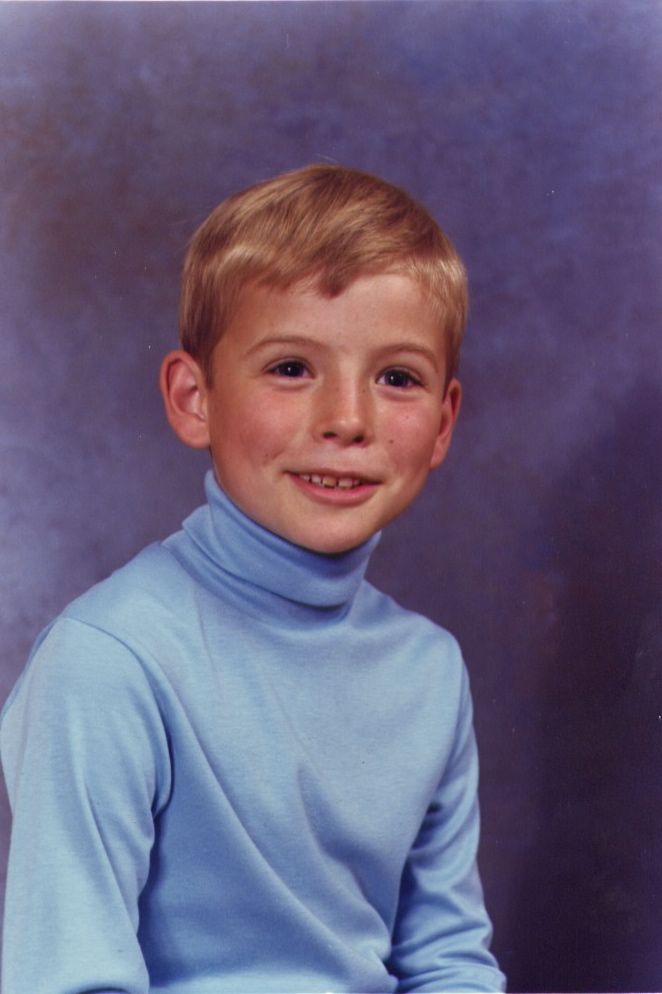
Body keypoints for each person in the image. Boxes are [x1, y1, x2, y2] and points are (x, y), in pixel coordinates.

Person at [1, 164, 506, 993]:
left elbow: (447, 962)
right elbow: (71, 981)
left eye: (397, 378)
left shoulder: (429, 669)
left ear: (444, 421)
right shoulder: (107, 662)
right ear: (194, 398)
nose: (348, 419)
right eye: (291, 368)